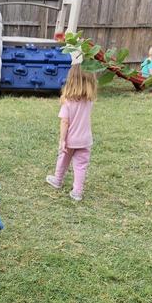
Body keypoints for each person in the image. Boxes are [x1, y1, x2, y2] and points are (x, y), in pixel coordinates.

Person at [45, 65, 97, 201]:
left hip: (70, 140)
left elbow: (64, 122)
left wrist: (62, 140)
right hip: (85, 140)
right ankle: (77, 192)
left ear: (71, 80)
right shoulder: (89, 101)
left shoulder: (67, 102)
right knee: (81, 166)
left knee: (63, 159)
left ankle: (58, 179)